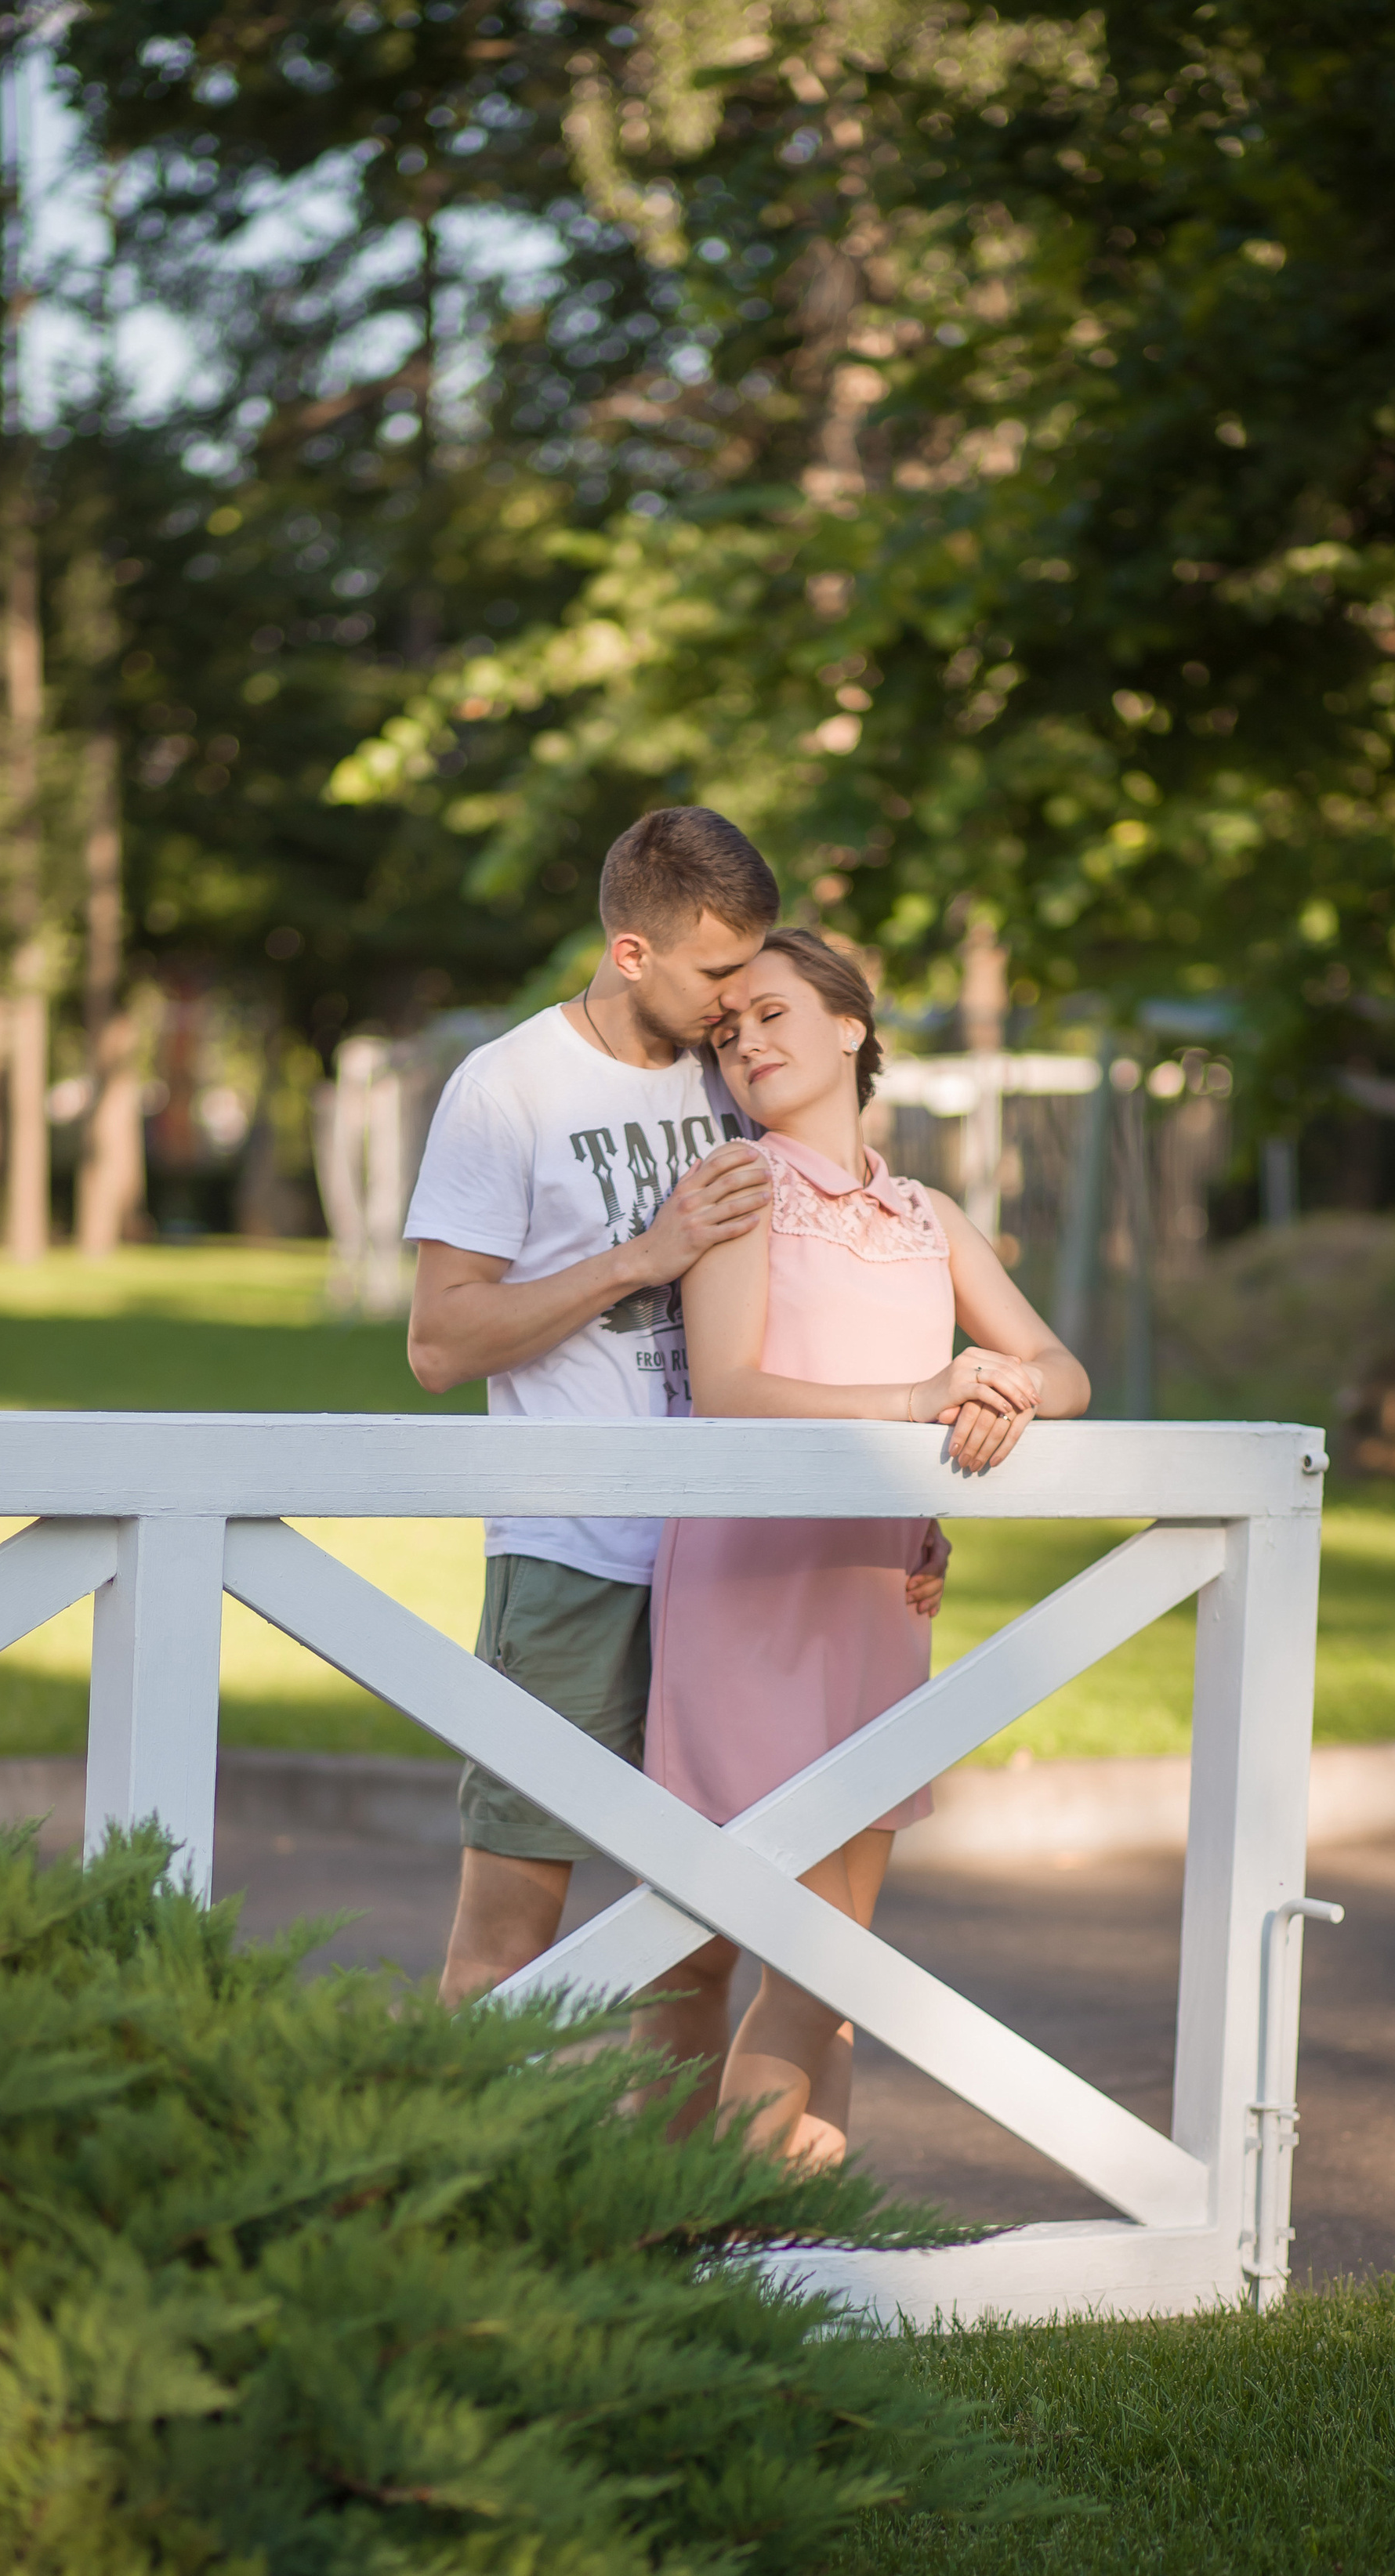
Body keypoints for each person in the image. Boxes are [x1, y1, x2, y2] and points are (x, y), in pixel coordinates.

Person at [644, 927, 1090, 2168]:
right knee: (778, 1942)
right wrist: (918, 1400)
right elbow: (728, 1390)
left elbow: (1066, 1372)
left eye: (774, 1016)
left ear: (852, 1026)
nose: (748, 1046)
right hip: (748, 1594)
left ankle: (795, 2235)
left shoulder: (924, 1213)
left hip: (877, 1596)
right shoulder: (740, 1190)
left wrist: (997, 1390)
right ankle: (695, 2214)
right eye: (728, 1036)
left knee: (841, 1965)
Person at [404, 805, 780, 2116]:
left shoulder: (745, 1073)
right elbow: (441, 1342)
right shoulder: (506, 1089)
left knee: (705, 1932)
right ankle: (470, 2222)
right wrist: (642, 1257)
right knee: (513, 1937)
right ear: (633, 952)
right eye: (718, 974)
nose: (744, 1002)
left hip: (736, 1563)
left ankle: (661, 2240)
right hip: (573, 1555)